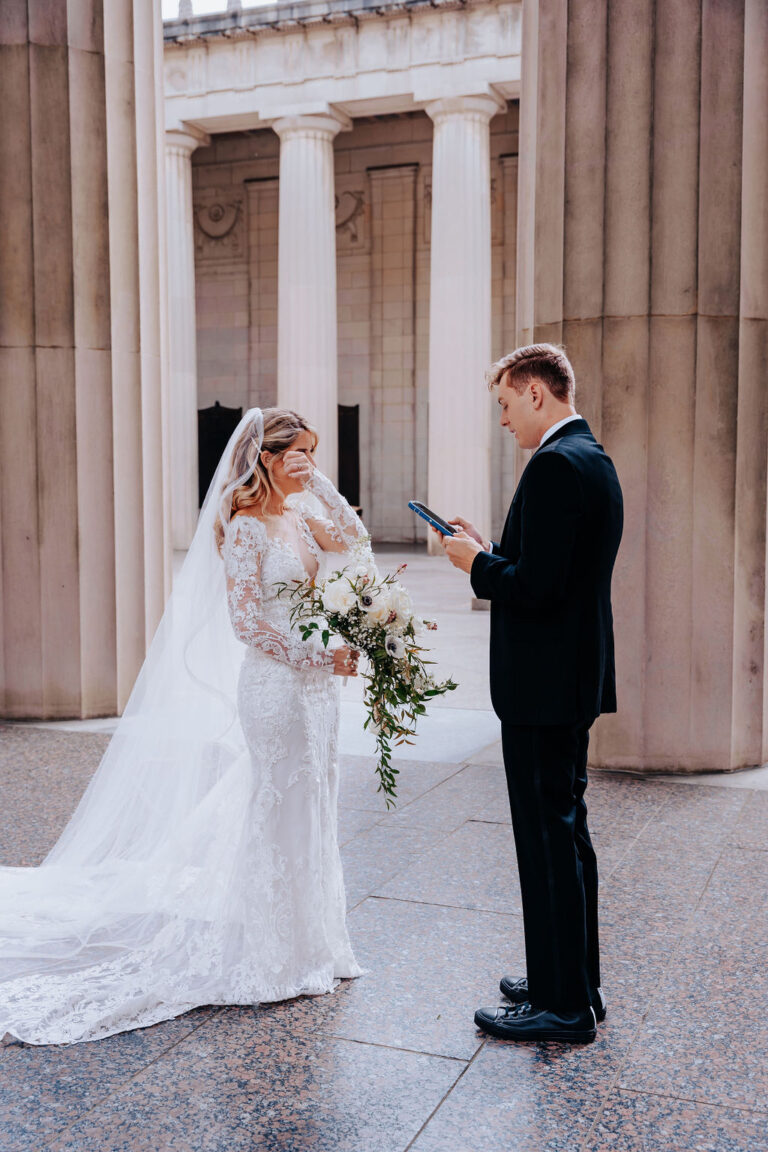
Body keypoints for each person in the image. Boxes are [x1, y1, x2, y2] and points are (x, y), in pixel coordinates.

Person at [0, 407, 368, 1045]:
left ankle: (318, 943)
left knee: (317, 801)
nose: (306, 463)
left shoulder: (305, 516)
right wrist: (319, 657)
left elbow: (355, 539)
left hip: (318, 693)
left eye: (313, 452)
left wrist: (322, 482)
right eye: (296, 454)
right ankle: (271, 949)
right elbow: (248, 625)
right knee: (278, 803)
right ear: (266, 459)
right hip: (276, 687)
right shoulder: (247, 527)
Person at [439, 344, 623, 1043]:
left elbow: (537, 590)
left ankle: (563, 1007)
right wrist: (492, 550)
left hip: (543, 687)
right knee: (567, 837)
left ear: (537, 395)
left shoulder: (553, 465)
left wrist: (476, 565)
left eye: (506, 405)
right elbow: (556, 570)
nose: (505, 420)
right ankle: (571, 980)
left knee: (547, 841)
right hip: (568, 679)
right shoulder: (590, 458)